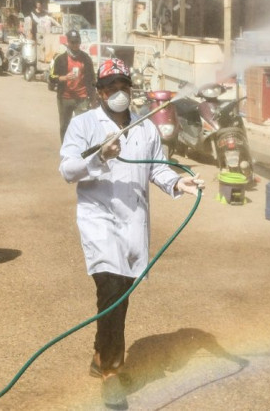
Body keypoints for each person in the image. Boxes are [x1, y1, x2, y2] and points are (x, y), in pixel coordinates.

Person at [58, 57, 204, 407]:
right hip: (99, 220)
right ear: (99, 92)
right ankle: (111, 369)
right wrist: (100, 157)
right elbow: (67, 169)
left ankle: (98, 355)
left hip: (133, 222)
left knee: (121, 293)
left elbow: (157, 169)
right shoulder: (83, 125)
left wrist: (178, 181)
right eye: (111, 87)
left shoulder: (146, 128)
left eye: (124, 85)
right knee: (110, 286)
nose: (119, 92)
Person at [49, 30, 97, 142]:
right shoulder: (60, 58)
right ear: (68, 43)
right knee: (65, 126)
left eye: (77, 42)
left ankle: (82, 150)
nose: (75, 45)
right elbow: (51, 77)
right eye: (72, 42)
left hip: (82, 97)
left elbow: (92, 79)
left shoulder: (86, 58)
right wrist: (64, 78)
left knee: (83, 125)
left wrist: (94, 98)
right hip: (65, 98)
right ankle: (66, 150)